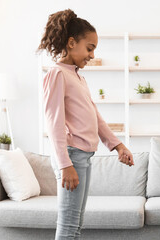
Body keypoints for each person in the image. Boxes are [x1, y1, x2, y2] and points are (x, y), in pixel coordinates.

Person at [37, 9, 134, 240]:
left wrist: (118, 145)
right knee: (69, 226)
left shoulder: (78, 77)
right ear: (72, 43)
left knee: (77, 224)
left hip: (83, 156)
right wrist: (64, 165)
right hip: (71, 157)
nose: (91, 55)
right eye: (89, 48)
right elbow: (54, 122)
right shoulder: (57, 74)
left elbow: (95, 116)